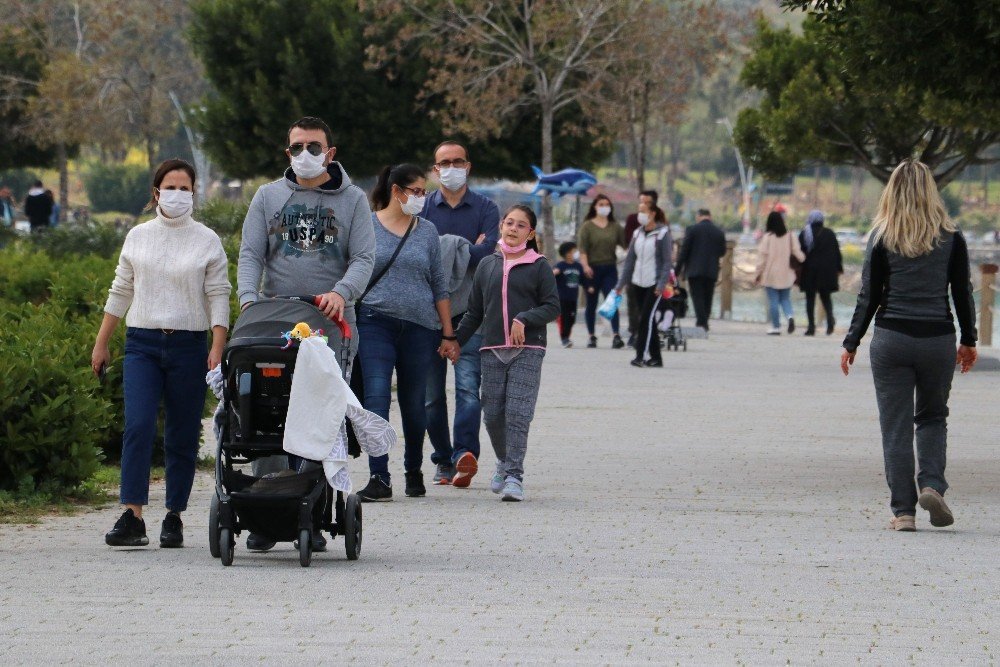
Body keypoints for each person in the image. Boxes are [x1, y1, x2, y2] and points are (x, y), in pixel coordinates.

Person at [237, 116, 375, 551]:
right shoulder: (267, 196)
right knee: (267, 411)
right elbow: (250, 253)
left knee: (317, 415)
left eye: (314, 146)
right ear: (287, 152)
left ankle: (310, 513)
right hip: (276, 317)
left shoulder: (353, 200)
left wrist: (341, 292)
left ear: (330, 153)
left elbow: (364, 257)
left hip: (331, 322)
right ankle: (265, 514)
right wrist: (246, 299)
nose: (305, 154)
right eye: (297, 147)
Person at [92, 158, 230, 548]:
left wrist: (217, 347)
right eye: (170, 187)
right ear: (156, 192)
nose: (178, 194)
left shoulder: (207, 240)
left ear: (194, 193)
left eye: (185, 188)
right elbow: (121, 289)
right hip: (142, 343)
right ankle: (132, 515)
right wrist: (102, 342)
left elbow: (218, 294)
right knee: (137, 425)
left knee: (182, 433)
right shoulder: (138, 236)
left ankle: (174, 515)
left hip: (190, 344)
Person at [840, 159, 978, 532]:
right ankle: (931, 484)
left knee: (896, 426)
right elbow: (962, 294)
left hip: (892, 340)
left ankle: (904, 513)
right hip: (937, 339)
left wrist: (851, 341)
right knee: (932, 417)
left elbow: (868, 295)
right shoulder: (951, 237)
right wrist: (969, 340)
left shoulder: (883, 236)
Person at [354, 164, 459, 502]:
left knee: (414, 404)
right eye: (415, 191)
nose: (420, 197)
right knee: (376, 396)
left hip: (420, 328)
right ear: (396, 191)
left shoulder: (426, 230)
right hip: (374, 321)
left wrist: (448, 334)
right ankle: (379, 476)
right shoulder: (366, 226)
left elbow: (439, 285)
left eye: (423, 191)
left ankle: (413, 470)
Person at [454, 205, 559, 502]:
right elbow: (474, 312)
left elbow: (553, 306)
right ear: (501, 226)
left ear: (531, 232)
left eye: (521, 225)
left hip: (528, 348)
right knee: (493, 415)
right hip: (492, 348)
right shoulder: (487, 265)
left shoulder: (538, 265)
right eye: (509, 223)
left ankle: (515, 475)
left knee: (517, 414)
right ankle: (503, 461)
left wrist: (524, 318)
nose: (513, 229)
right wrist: (454, 342)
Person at [421, 140, 500, 488]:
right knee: (430, 397)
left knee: (469, 389)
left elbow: (489, 254)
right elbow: (417, 251)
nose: (451, 168)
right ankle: (442, 459)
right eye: (444, 163)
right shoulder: (422, 207)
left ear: (468, 165)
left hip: (472, 314)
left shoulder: (486, 208)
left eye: (457, 161)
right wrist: (469, 246)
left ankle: (463, 455)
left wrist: (445, 247)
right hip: (427, 316)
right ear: (435, 169)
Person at [616, 200, 672, 367]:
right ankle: (656, 358)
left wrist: (661, 284)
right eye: (639, 210)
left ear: (652, 213)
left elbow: (667, 262)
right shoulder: (637, 233)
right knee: (647, 320)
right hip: (637, 283)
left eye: (643, 211)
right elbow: (630, 261)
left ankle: (640, 355)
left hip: (654, 284)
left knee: (645, 320)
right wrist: (621, 284)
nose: (640, 214)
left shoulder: (662, 233)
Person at [577, 194, 626, 349]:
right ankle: (592, 336)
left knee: (612, 301)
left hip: (610, 268)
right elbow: (582, 250)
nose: (604, 206)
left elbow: (625, 245)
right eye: (601, 204)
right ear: (595, 207)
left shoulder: (615, 226)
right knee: (591, 303)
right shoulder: (587, 226)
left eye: (607, 204)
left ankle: (616, 335)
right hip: (592, 268)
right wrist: (585, 267)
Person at [755, 210, 805, 335]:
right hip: (786, 273)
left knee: (773, 300)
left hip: (770, 273)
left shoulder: (768, 237)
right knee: (785, 299)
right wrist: (803, 259)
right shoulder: (790, 235)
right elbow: (798, 253)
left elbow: (762, 257)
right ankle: (790, 317)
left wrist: (758, 272)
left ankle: (776, 327)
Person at [676, 208, 726, 331]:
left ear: (698, 216)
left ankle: (701, 322)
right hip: (711, 269)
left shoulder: (692, 230)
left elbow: (684, 251)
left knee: (697, 296)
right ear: (710, 216)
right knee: (708, 296)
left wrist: (677, 270)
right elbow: (722, 251)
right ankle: (704, 320)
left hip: (694, 269)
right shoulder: (719, 232)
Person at [622, 190, 659, 345]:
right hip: (635, 268)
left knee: (648, 306)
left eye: (647, 202)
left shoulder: (660, 222)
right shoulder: (633, 220)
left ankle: (647, 335)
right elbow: (627, 242)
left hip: (652, 271)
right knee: (633, 301)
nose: (642, 205)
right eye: (641, 201)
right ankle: (634, 332)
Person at [798, 209, 843, 335]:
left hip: (809, 271)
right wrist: (839, 269)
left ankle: (811, 327)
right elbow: (836, 253)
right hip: (827, 272)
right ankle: (829, 324)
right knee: (826, 298)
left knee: (810, 299)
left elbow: (800, 252)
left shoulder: (805, 234)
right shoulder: (830, 233)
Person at [553, 241, 590, 347]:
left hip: (573, 298)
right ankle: (564, 338)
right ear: (567, 253)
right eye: (573, 251)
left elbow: (583, 280)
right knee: (564, 318)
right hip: (562, 297)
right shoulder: (561, 265)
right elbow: (553, 274)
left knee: (572, 319)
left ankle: (567, 337)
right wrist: (554, 273)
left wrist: (589, 287)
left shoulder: (578, 266)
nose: (575, 253)